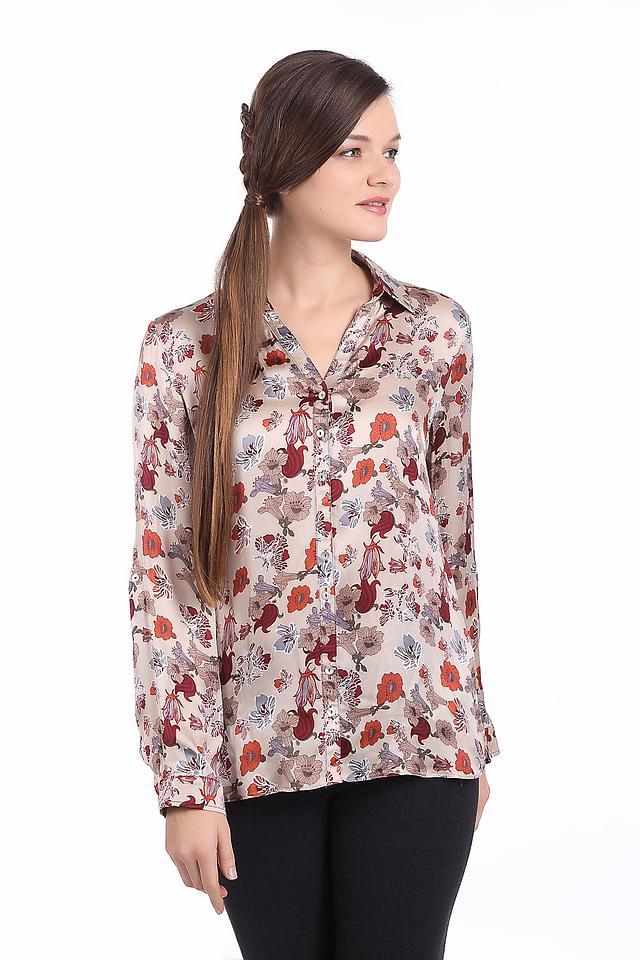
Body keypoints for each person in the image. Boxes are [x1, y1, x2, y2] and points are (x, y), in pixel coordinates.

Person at [128, 49, 500, 960]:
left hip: (420, 741)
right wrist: (185, 784)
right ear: (286, 166)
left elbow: (453, 543)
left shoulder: (433, 332)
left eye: (392, 151)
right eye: (353, 151)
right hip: (259, 752)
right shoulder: (184, 349)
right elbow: (167, 575)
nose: (385, 176)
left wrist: (474, 732)